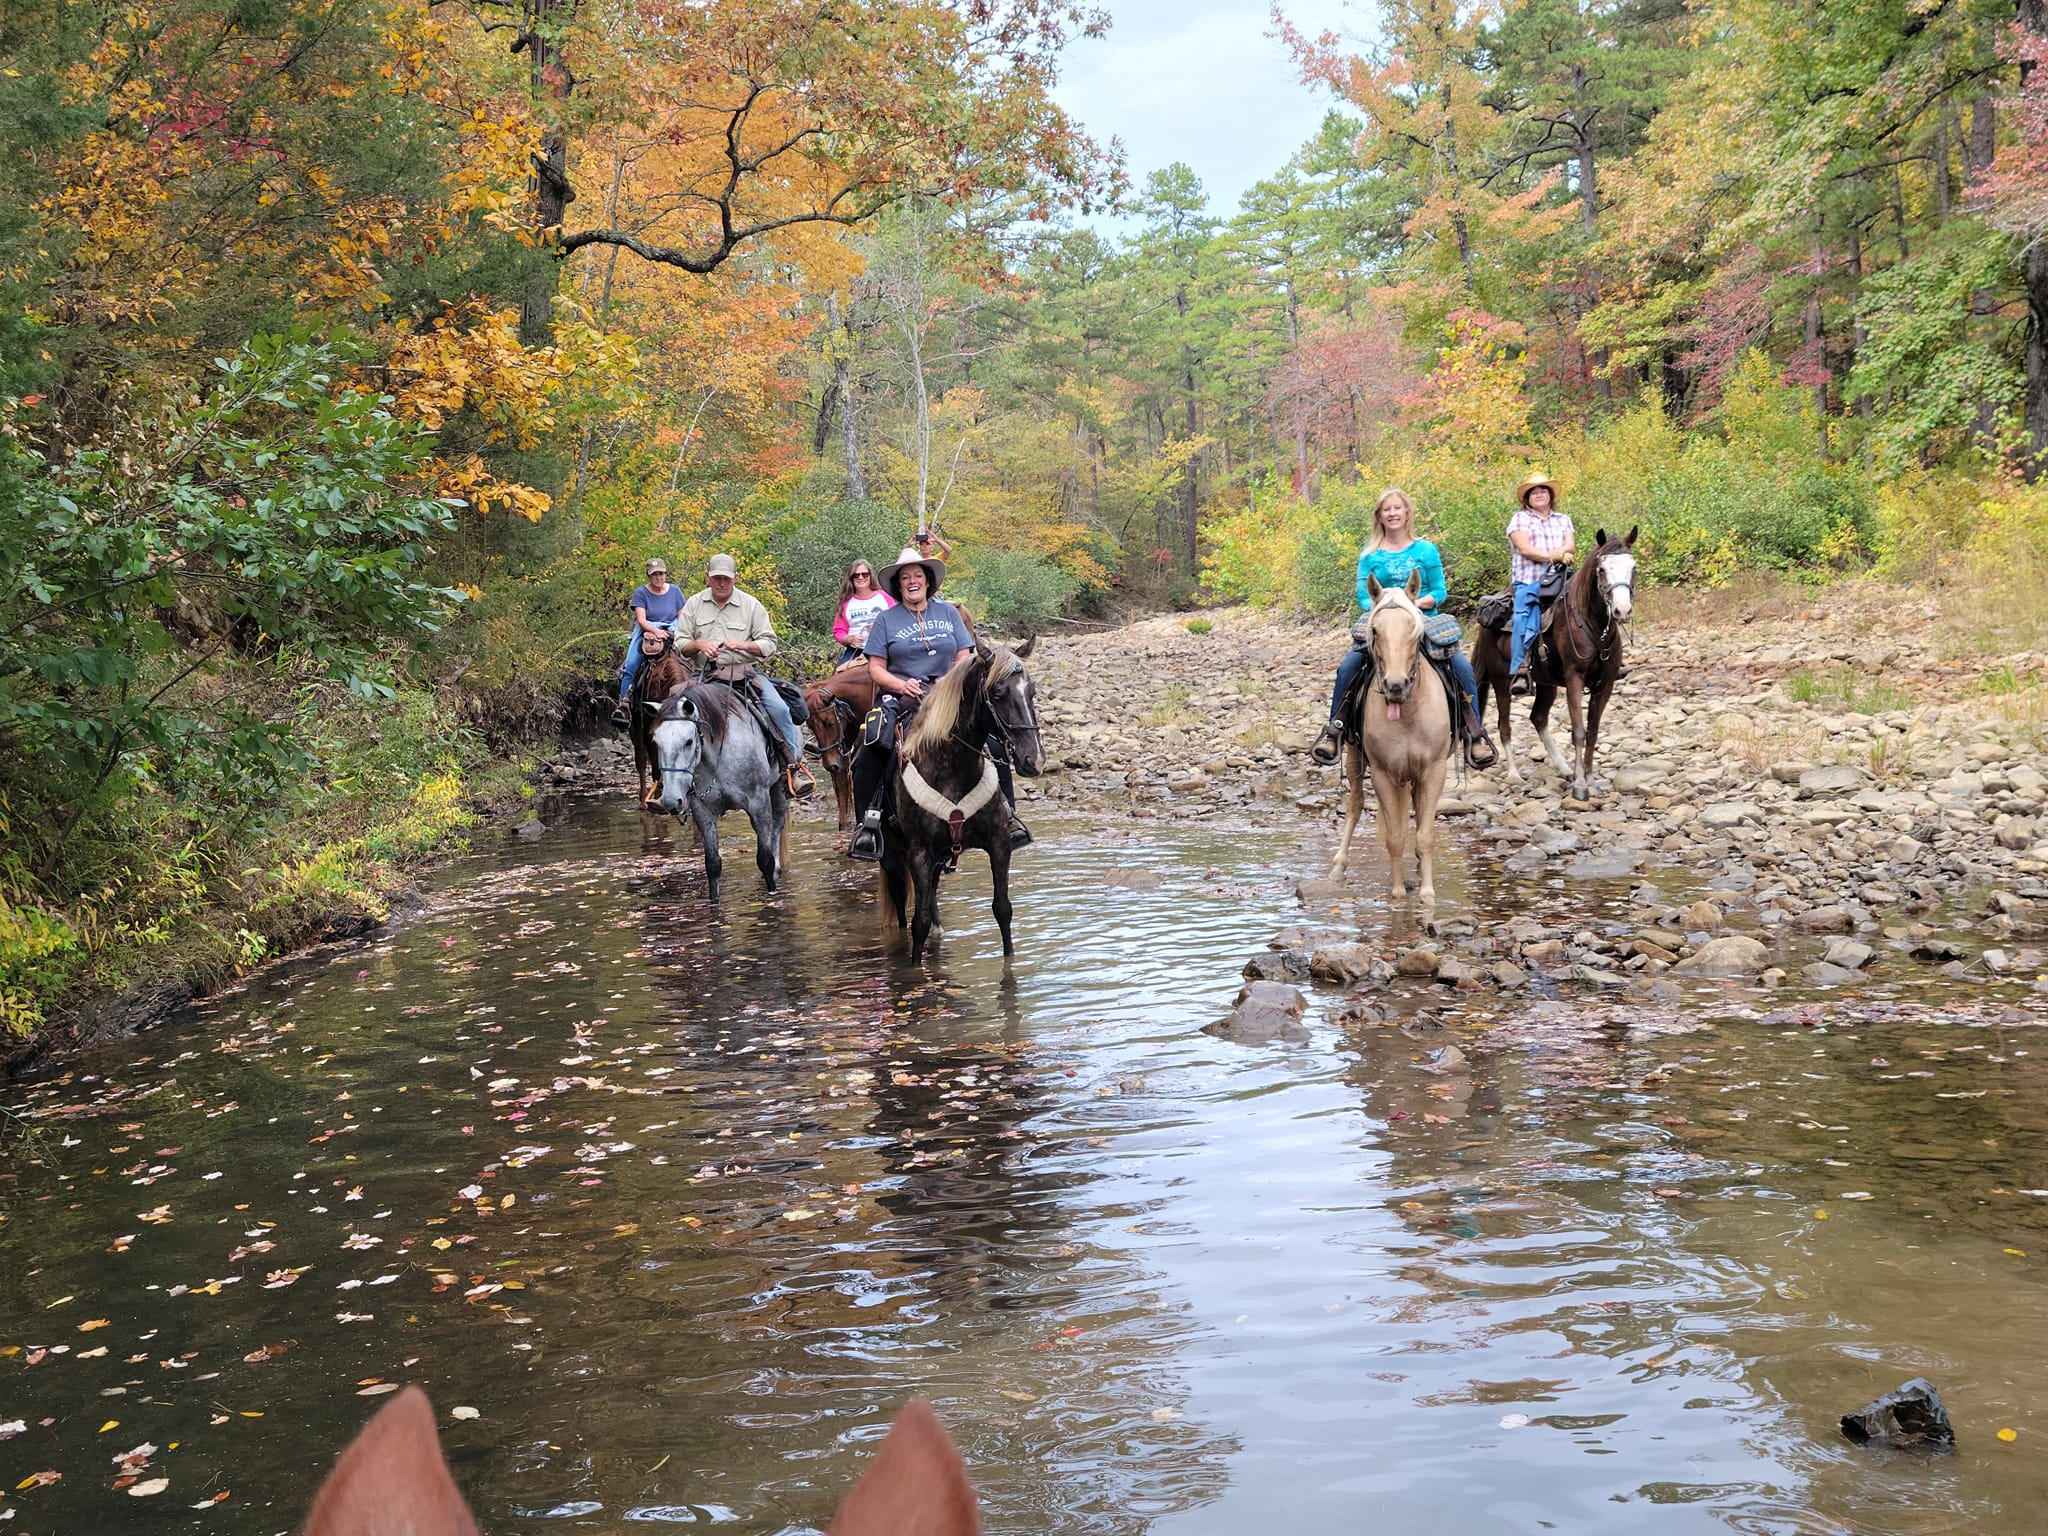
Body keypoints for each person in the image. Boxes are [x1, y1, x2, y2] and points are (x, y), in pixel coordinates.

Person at [848, 545, 1029, 860]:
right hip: (903, 700)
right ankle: (869, 823)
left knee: (996, 742)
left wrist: (950, 680)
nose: (912, 581)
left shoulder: (948, 613)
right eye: (906, 577)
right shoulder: (886, 620)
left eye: (918, 575)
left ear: (928, 580)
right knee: (872, 744)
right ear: (898, 584)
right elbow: (875, 667)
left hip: (951, 701)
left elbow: (966, 655)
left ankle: (1007, 814)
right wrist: (901, 683)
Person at [1310, 487, 1498, 770]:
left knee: (1461, 666)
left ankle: (1474, 732)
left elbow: (1440, 591)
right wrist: (1389, 603)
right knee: (1350, 665)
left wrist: (1415, 603)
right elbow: (1364, 596)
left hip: (1423, 617)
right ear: (1380, 516)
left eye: (1397, 508)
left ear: (1406, 512)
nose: (1393, 513)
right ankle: (1335, 729)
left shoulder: (1426, 550)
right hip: (1383, 618)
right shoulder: (1370, 555)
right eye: (1387, 509)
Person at [674, 553, 814, 799]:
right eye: (716, 578)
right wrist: (698, 644)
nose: (721, 583)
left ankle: (791, 769)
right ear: (707, 577)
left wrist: (743, 645)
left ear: (735, 578)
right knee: (671, 713)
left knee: (779, 709)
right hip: (704, 676)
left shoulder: (751, 605)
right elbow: (680, 643)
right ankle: (666, 780)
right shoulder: (694, 604)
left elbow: (769, 644)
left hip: (744, 674)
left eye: (726, 578)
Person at [1506, 471, 1576, 694]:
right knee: (1522, 613)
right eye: (1533, 491)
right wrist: (1552, 556)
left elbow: (1570, 545)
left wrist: (1563, 553)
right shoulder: (1520, 519)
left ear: (1550, 494)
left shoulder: (1563, 519)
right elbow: (1524, 548)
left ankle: (1608, 657)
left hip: (1560, 578)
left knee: (1597, 596)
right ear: (1527, 498)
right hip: (1530, 579)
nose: (1539, 494)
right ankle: (1521, 667)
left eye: (1543, 490)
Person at [612, 557, 683, 727]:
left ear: (665, 574)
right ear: (649, 576)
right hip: (648, 631)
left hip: (673, 630)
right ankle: (624, 705)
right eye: (654, 575)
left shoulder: (675, 591)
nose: (658, 578)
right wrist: (656, 632)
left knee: (693, 661)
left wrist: (674, 632)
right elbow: (642, 620)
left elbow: (682, 616)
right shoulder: (641, 593)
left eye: (661, 574)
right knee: (631, 665)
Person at [832, 558, 895, 667]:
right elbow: (838, 630)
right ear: (851, 578)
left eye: (865, 574)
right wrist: (849, 639)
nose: (861, 577)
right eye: (856, 575)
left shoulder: (884, 596)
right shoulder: (846, 602)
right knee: (838, 676)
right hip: (856, 651)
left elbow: (897, 621)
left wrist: (881, 627)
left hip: (885, 647)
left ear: (870, 576)